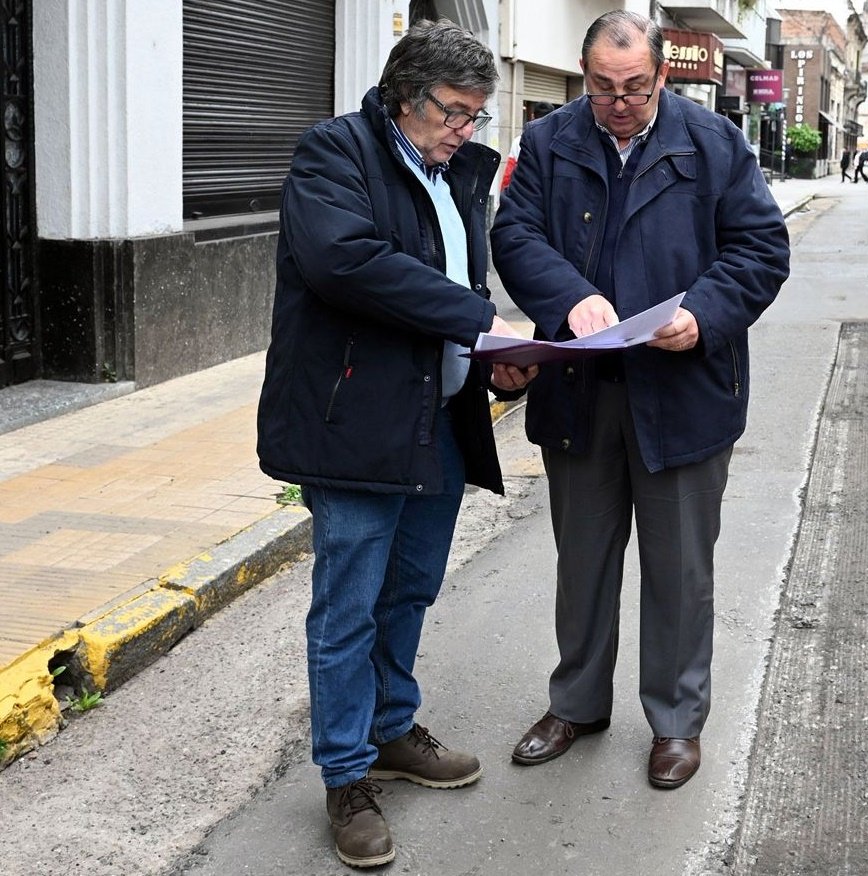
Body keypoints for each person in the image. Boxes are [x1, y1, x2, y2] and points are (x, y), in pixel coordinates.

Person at [256, 19, 536, 869]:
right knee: (347, 608)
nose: (466, 131)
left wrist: (491, 361)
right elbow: (349, 261)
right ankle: (345, 777)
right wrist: (481, 321)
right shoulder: (332, 155)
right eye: (454, 114)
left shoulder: (455, 174)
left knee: (409, 590)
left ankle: (387, 732)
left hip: (439, 419)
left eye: (477, 118)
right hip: (355, 425)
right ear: (404, 98)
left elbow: (453, 283)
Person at [490, 10, 790, 791]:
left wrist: (703, 317)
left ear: (663, 74)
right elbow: (514, 234)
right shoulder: (551, 142)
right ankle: (577, 703)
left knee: (679, 570)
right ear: (584, 75)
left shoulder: (716, 143)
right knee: (582, 562)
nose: (617, 103)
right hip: (582, 390)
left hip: (684, 391)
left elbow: (761, 249)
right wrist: (570, 297)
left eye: (633, 87)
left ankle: (676, 724)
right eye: (601, 87)